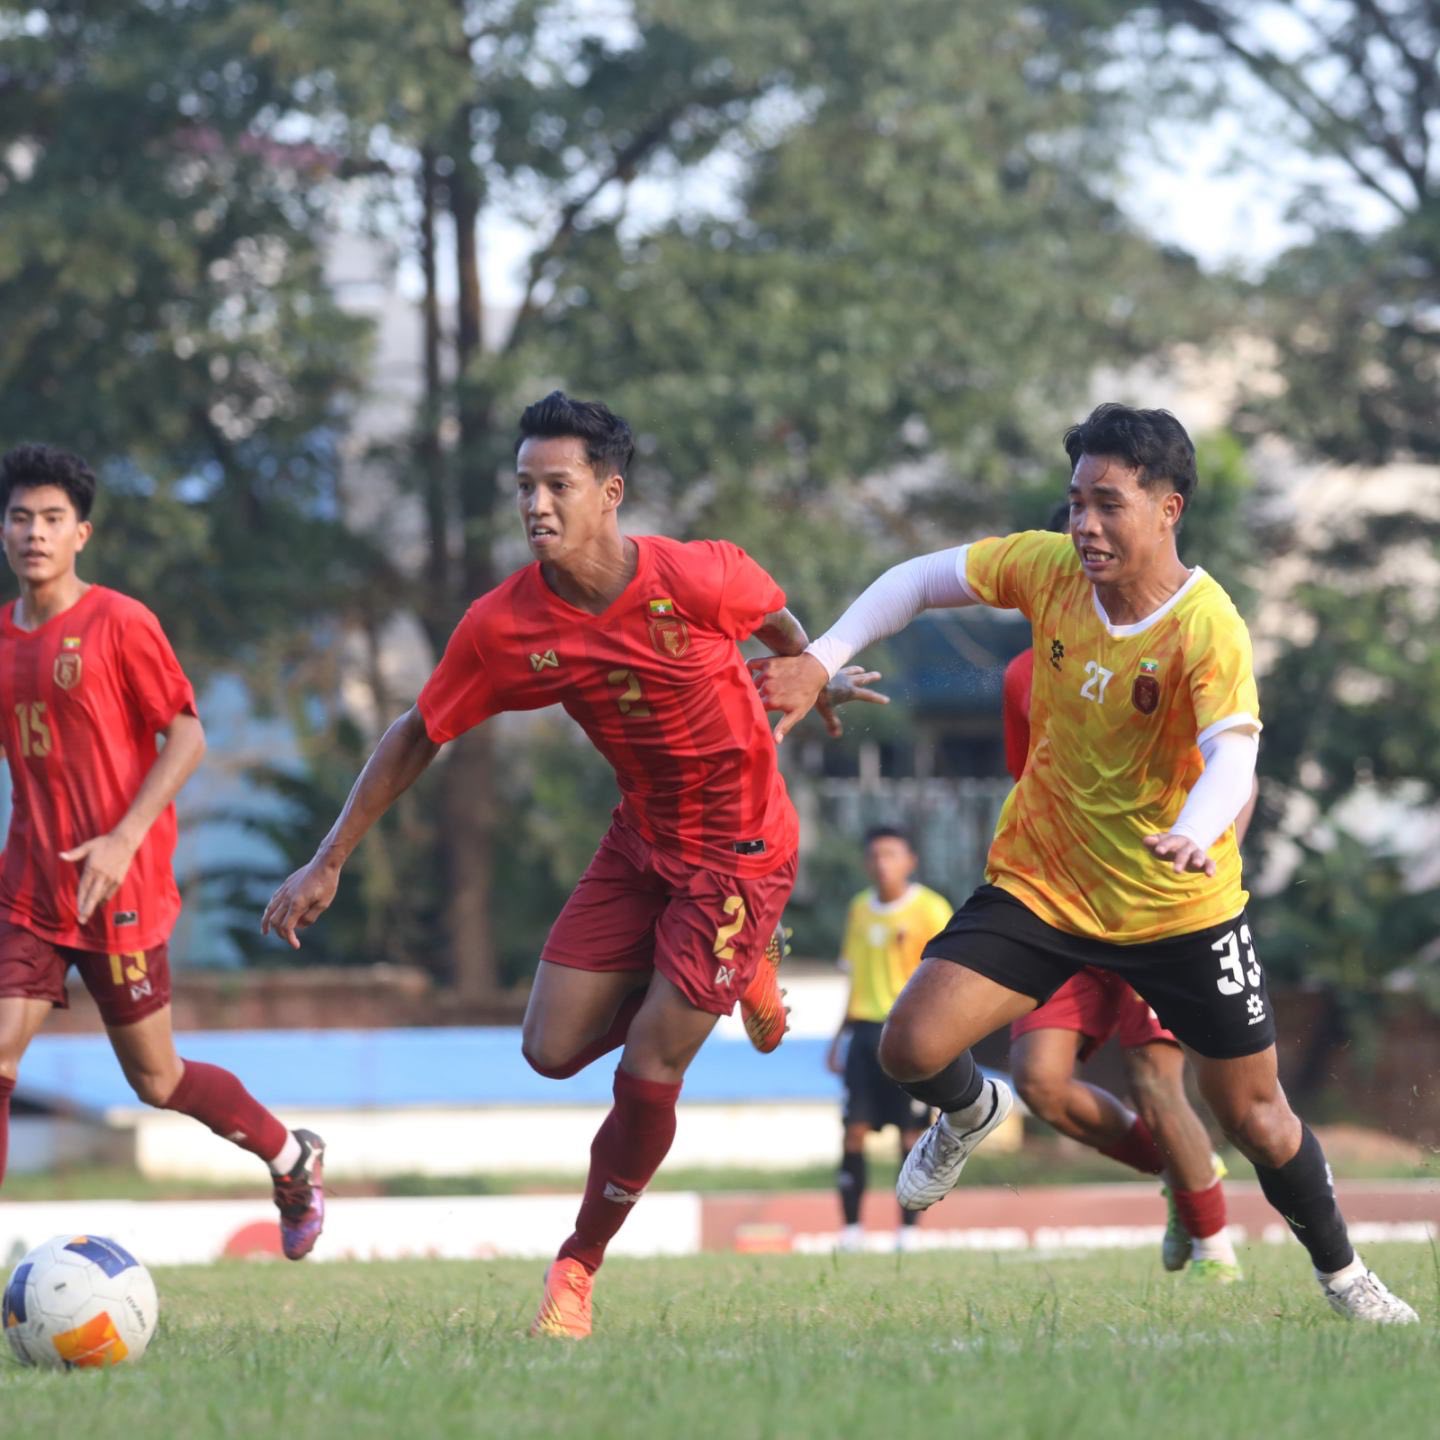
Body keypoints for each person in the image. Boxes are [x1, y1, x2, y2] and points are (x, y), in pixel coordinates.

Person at [752, 403, 1416, 1323]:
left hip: (1177, 904)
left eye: (1107, 505)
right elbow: (915, 579)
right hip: (1044, 886)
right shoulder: (1048, 569)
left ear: (1168, 508)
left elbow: (1234, 752)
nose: (1085, 526)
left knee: (1257, 1118)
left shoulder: (1207, 625)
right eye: (1075, 504)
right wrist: (822, 658)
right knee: (912, 1047)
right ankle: (971, 1112)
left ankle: (1346, 1278)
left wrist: (1195, 827)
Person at [261, 391, 883, 1338]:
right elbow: (418, 732)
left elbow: (780, 621)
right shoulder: (504, 626)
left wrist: (813, 677)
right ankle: (726, 974)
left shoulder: (700, 574)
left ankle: (577, 1268)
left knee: (648, 1064)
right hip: (640, 840)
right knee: (549, 1052)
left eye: (557, 485)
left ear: (610, 493)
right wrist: (328, 858)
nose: (535, 506)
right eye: (523, 487)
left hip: (742, 857)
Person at [0, 444, 325, 1258]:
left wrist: (121, 837)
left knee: (157, 1081)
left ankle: (291, 1157)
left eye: (51, 519)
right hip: (32, 888)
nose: (34, 533)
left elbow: (187, 732)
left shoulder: (119, 622)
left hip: (124, 887)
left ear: (82, 534)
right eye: (19, 517)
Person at [1004, 504, 1247, 1282]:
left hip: (1158, 898)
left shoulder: (1193, 632)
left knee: (1155, 1077)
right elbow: (1029, 779)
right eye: (1075, 537)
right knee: (1040, 1082)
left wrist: (1203, 843)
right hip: (1064, 894)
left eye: (1104, 528)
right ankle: (1184, 1175)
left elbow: (1234, 762)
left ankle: (1215, 1248)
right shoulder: (1024, 672)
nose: (1089, 551)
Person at [830, 826, 952, 1252]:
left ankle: (909, 1233)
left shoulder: (931, 910)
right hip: (863, 1033)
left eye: (891, 854)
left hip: (909, 1033)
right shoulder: (859, 909)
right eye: (876, 855)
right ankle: (851, 1232)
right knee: (853, 1131)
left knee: (911, 1135)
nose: (883, 863)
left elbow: (946, 979)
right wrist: (837, 1039)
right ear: (867, 862)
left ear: (910, 861)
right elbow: (854, 978)